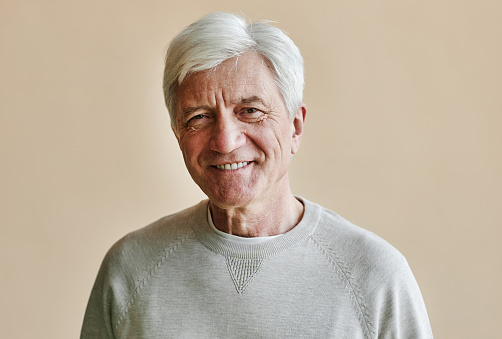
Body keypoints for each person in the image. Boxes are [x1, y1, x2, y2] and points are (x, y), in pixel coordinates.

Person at [81, 12, 433, 338]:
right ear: (177, 132)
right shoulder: (130, 268)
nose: (225, 141)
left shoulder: (375, 278)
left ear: (295, 127)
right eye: (199, 117)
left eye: (250, 111)